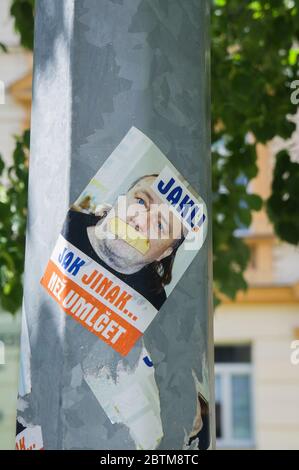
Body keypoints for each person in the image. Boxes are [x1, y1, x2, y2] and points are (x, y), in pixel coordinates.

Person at [63, 174, 186, 310]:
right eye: (140, 201)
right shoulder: (58, 224)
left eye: (160, 225)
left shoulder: (153, 307)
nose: (139, 221)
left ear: (163, 254)